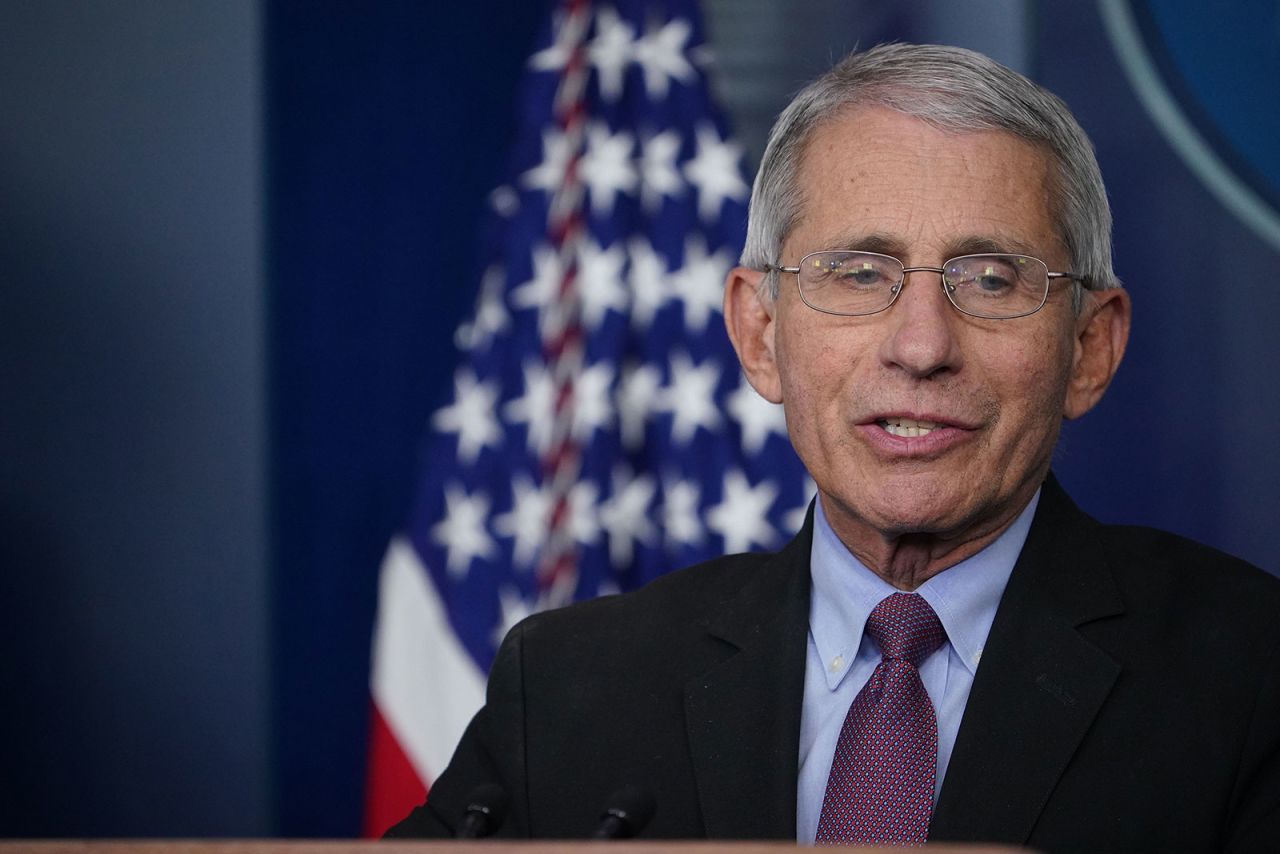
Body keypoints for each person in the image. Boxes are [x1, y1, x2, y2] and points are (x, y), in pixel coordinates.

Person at [386, 43, 1280, 849]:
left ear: (1089, 348)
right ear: (759, 333)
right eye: (858, 274)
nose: (922, 346)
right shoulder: (570, 688)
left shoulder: (1249, 683)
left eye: (992, 278)